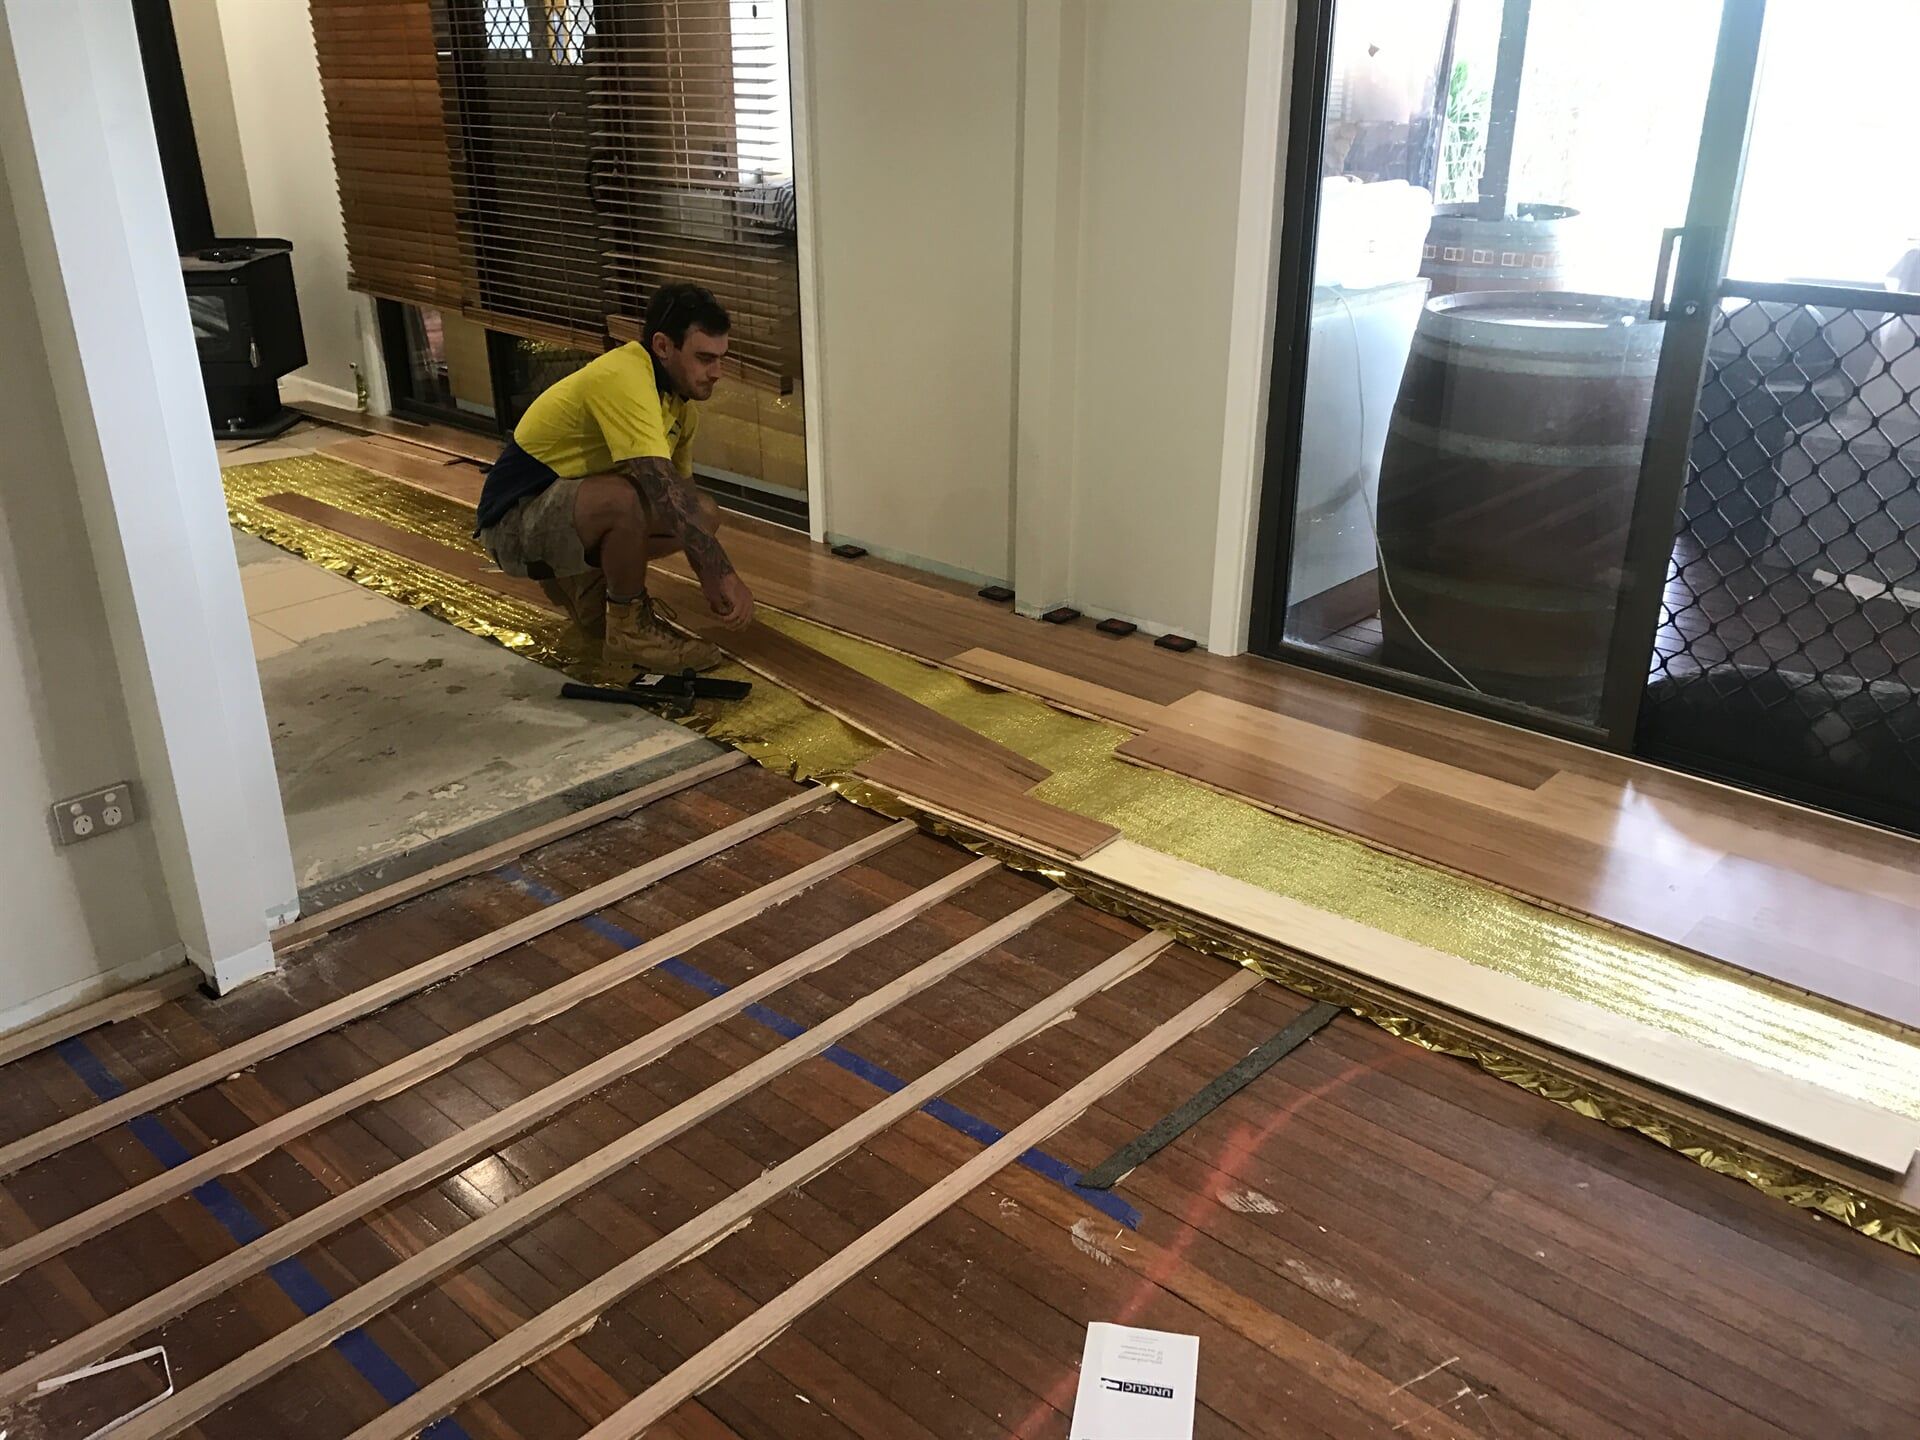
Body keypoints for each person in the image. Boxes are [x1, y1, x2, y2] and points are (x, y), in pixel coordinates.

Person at [473, 281, 756, 672]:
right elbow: (659, 488)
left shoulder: (680, 408)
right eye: (705, 358)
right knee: (625, 500)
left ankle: (588, 589)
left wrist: (708, 571)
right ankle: (629, 632)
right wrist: (721, 574)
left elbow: (683, 502)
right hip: (511, 526)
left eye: (721, 358)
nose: (717, 372)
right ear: (663, 346)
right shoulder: (625, 375)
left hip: (562, 514)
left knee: (702, 513)